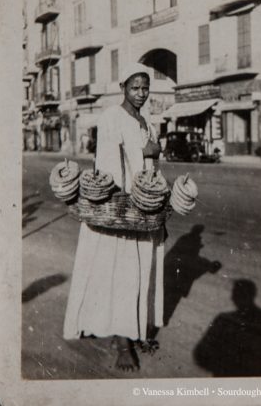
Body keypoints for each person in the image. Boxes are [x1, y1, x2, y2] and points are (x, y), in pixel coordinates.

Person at [63, 63, 163, 371]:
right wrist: (147, 151)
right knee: (120, 272)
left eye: (145, 88)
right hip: (120, 207)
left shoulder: (146, 120)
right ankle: (122, 342)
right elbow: (107, 161)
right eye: (135, 87)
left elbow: (152, 164)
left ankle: (131, 328)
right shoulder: (111, 116)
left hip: (142, 209)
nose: (140, 93)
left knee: (138, 271)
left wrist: (152, 152)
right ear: (123, 87)